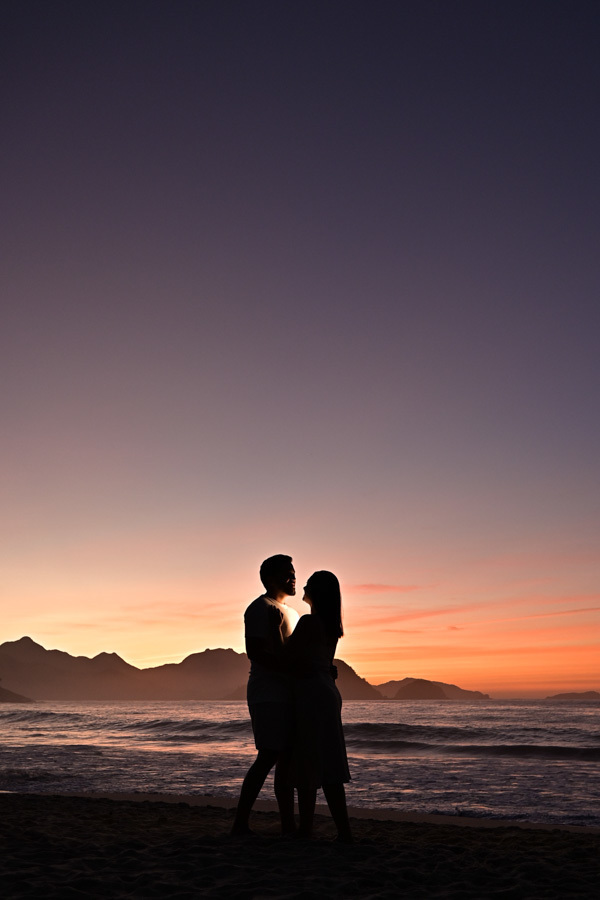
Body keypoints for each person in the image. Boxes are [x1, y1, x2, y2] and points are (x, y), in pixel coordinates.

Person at [231, 554, 299, 836]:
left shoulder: (292, 613)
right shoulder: (259, 608)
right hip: (268, 693)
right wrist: (289, 672)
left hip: (288, 693)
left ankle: (287, 824)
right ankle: (240, 823)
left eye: (294, 573)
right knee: (268, 755)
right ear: (271, 578)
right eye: (287, 574)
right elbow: (256, 653)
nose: (294, 578)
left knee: (285, 759)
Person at [284, 570, 352, 842]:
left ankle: (308, 829)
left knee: (309, 760)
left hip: (311, 694)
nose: (304, 585)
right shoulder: (330, 626)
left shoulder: (310, 623)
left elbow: (290, 659)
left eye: (310, 583)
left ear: (317, 592)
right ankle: (341, 831)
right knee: (329, 760)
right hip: (327, 692)